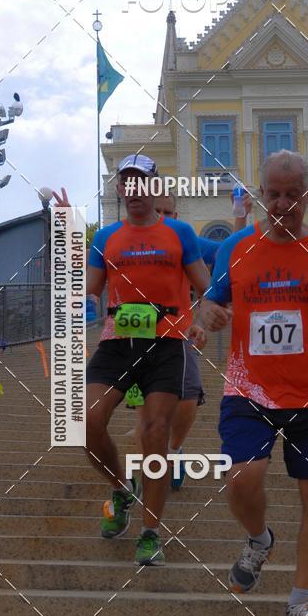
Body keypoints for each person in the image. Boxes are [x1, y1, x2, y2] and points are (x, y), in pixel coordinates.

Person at [199, 150, 308, 616]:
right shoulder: (235, 247)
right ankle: (258, 540)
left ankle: (300, 601)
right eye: (273, 194)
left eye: (293, 195)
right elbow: (210, 301)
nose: (282, 203)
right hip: (248, 389)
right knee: (242, 480)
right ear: (260, 195)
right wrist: (207, 315)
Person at [84, 154, 210, 566]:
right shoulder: (105, 237)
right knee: (86, 423)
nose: (134, 190)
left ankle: (150, 531)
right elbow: (91, 291)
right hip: (119, 342)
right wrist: (80, 302)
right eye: (127, 182)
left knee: (155, 433)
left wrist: (205, 318)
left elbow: (204, 287)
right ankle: (123, 489)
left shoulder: (179, 233)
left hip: (166, 343)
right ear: (119, 189)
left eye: (142, 182)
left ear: (155, 188)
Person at [127, 190, 252, 490]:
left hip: (180, 334)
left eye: (169, 212)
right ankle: (146, 468)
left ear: (177, 216)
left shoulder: (185, 240)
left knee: (189, 397)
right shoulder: (127, 240)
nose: (164, 218)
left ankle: (174, 449)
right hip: (137, 338)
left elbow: (228, 252)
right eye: (158, 211)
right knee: (144, 413)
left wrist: (240, 214)